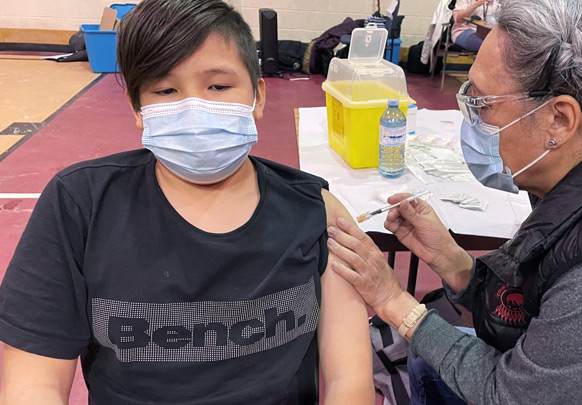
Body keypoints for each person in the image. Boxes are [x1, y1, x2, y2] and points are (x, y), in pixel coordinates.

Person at [326, 0, 582, 403]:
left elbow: (508, 396)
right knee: (428, 357)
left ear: (559, 120)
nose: (470, 119)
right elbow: (531, 301)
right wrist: (448, 256)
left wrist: (393, 301)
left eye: (481, 103)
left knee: (427, 355)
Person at [0, 0, 374, 403]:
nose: (193, 107)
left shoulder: (316, 210)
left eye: (218, 86)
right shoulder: (80, 206)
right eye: (165, 90)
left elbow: (347, 382)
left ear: (258, 97)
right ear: (138, 109)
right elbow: (33, 384)